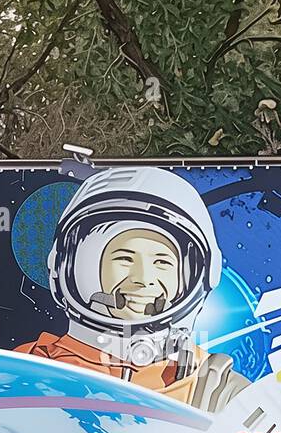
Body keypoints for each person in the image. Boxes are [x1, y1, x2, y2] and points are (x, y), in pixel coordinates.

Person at [16, 166, 249, 412]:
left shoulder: (219, 393)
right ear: (73, 266)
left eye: (162, 262)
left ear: (198, 274)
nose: (143, 279)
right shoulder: (25, 372)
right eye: (124, 259)